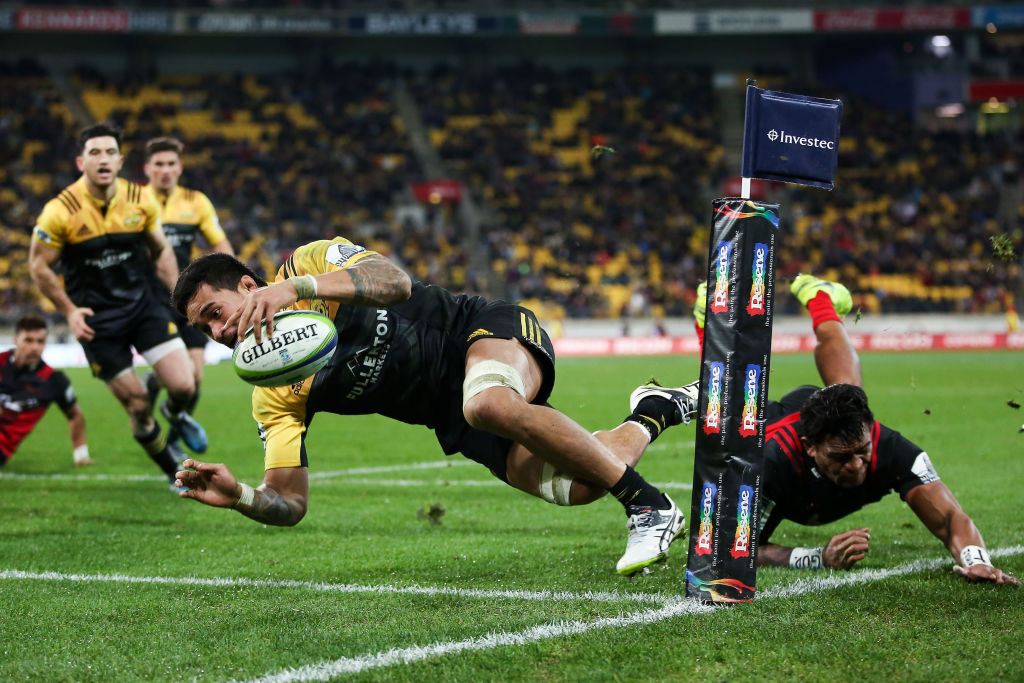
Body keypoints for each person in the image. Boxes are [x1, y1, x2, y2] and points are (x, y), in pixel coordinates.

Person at [170, 238, 699, 576]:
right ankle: (654, 410)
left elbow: (394, 282)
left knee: (487, 401)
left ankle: (649, 506)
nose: (218, 333)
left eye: (216, 313)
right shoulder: (275, 394)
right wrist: (241, 495)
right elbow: (289, 502)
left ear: (246, 285)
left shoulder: (308, 264)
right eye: (205, 329)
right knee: (581, 484)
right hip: (451, 416)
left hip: (476, 330)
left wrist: (297, 288)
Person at [696, 273, 1018, 585]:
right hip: (768, 422)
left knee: (847, 390)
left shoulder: (889, 448)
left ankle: (819, 297)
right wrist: (817, 556)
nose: (855, 465)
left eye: (862, 451)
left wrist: (977, 561)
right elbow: (733, 550)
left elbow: (950, 519)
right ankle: (705, 319)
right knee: (727, 411)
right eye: (840, 457)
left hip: (829, 419)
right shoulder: (768, 462)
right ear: (810, 447)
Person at [28, 123, 208, 491]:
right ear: (81, 161)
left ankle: (173, 412)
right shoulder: (59, 211)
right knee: (139, 406)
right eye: (94, 153)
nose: (103, 159)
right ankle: (171, 471)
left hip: (143, 308)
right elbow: (38, 266)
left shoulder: (140, 200)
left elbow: (160, 251)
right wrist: (68, 311)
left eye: (110, 152)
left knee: (185, 385)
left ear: (121, 160)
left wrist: (179, 299)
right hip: (98, 322)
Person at [141, 136, 234, 441]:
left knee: (194, 378)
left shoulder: (196, 202)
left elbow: (220, 244)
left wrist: (231, 279)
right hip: (149, 299)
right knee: (183, 379)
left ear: (180, 168)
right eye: (159, 164)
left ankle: (170, 425)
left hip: (188, 298)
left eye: (170, 164)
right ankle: (166, 433)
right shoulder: (134, 200)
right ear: (147, 169)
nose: (165, 170)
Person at [1, 314, 92, 468]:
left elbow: (74, 414)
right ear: (16, 340)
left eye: (40, 342)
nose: (34, 347)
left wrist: (81, 454)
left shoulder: (53, 380)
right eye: (28, 340)